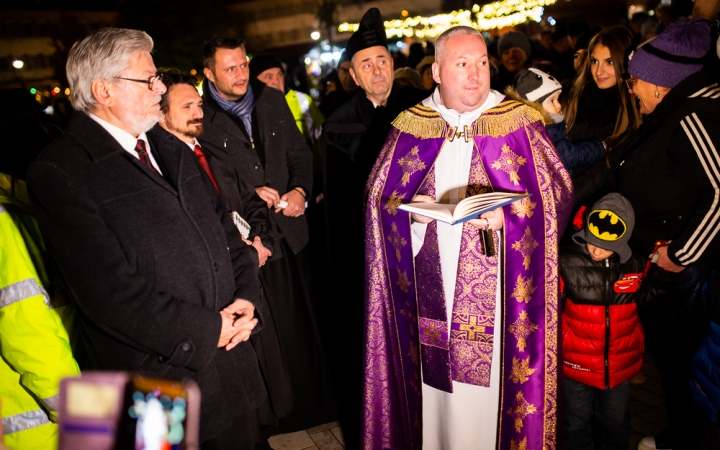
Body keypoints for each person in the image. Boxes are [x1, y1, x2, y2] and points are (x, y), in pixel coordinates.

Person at [26, 28, 266, 449]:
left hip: (230, 364)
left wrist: (247, 299)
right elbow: (109, 295)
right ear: (104, 91)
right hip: (155, 387)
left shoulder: (170, 146)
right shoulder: (61, 172)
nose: (160, 87)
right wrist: (211, 328)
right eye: (148, 79)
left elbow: (227, 235)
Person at [361, 25, 573, 449]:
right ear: (436, 72)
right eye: (462, 65)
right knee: (439, 404)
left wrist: (510, 217)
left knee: (491, 398)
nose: (475, 75)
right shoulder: (410, 127)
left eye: (481, 63)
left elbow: (557, 196)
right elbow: (376, 203)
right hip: (429, 290)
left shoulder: (517, 123)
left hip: (500, 297)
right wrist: (413, 218)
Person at [572, 18, 720, 450]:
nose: (630, 87)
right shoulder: (668, 112)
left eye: (636, 79)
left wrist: (681, 252)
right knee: (674, 363)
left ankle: (687, 438)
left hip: (682, 272)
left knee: (684, 365)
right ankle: (680, 433)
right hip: (661, 263)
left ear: (660, 83)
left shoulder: (693, 117)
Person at [199, 37, 335, 432]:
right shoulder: (200, 117)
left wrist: (300, 191)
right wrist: (247, 197)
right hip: (252, 243)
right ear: (209, 73)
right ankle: (281, 415)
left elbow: (298, 154)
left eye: (243, 65)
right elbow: (211, 180)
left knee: (306, 324)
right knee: (271, 335)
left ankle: (317, 405)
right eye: (231, 68)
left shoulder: (271, 99)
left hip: (293, 233)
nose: (241, 74)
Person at [150, 69, 293, 430]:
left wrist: (261, 243)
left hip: (249, 281)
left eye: (199, 104)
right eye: (186, 106)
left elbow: (252, 201)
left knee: (261, 383)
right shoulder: (161, 171)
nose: (198, 112)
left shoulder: (213, 153)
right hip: (214, 302)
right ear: (161, 113)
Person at [321, 8, 426, 447]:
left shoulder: (422, 110)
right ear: (354, 75)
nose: (377, 69)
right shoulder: (337, 124)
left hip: (423, 251)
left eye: (382, 59)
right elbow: (337, 211)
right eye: (367, 64)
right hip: (368, 258)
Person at [1, 157, 81, 449]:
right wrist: (78, 411)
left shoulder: (24, 205)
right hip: (39, 424)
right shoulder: (6, 218)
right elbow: (27, 331)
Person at [560, 193, 645, 450]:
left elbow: (648, 298)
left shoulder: (634, 264)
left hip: (619, 363)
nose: (595, 251)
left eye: (605, 246)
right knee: (575, 422)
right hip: (576, 362)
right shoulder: (566, 261)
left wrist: (662, 275)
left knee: (615, 423)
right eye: (590, 242)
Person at [563, 25, 640, 182]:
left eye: (609, 62)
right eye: (594, 61)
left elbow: (605, 171)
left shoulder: (633, 108)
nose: (599, 71)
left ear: (624, 62)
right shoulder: (574, 98)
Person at [507, 67, 605, 172]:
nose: (559, 105)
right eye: (552, 101)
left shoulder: (541, 126)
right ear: (535, 106)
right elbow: (565, 155)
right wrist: (600, 147)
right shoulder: (541, 131)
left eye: (557, 99)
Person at [250, 54, 324, 149]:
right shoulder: (248, 109)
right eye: (269, 77)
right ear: (255, 81)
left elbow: (323, 137)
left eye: (280, 75)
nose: (276, 81)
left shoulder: (303, 100)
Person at [318, 52, 359, 118]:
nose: (349, 77)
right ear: (338, 71)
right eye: (345, 71)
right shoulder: (328, 103)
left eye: (354, 71)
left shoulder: (370, 101)